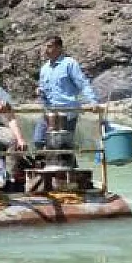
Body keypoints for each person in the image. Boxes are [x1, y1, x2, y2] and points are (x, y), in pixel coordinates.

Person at [33, 36, 99, 167]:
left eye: (49, 46)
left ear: (59, 48)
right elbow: (44, 90)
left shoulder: (69, 64)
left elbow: (82, 83)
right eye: (45, 46)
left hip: (67, 112)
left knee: (64, 145)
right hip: (49, 112)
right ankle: (45, 170)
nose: (46, 50)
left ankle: (71, 172)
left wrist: (92, 101)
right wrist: (40, 91)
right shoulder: (45, 68)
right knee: (39, 140)